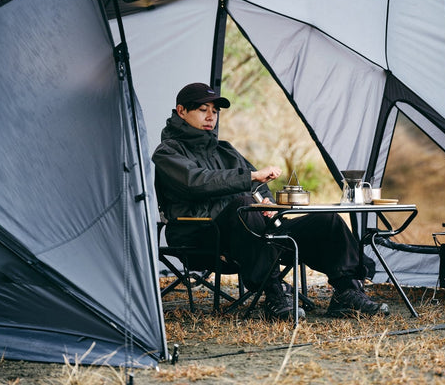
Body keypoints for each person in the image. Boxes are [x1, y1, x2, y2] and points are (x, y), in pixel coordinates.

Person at [152, 82, 388, 320]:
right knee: (244, 206)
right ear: (181, 111)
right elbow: (196, 182)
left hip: (252, 234)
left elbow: (258, 187)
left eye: (215, 111)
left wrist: (267, 205)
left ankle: (347, 292)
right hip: (201, 236)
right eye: (203, 109)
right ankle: (275, 293)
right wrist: (250, 179)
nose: (210, 116)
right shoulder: (167, 153)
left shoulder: (225, 150)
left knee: (328, 222)